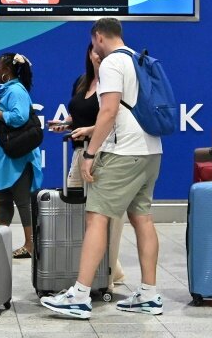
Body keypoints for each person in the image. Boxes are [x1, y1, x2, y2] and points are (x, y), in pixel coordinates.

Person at [41, 17, 163, 318]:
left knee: (96, 218)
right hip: (151, 150)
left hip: (122, 152)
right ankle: (149, 294)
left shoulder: (111, 63)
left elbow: (108, 111)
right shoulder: (138, 59)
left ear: (98, 36)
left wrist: (90, 153)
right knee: (143, 218)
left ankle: (79, 295)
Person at [47, 42, 125, 289]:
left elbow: (114, 118)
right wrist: (66, 124)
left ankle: (107, 275)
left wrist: (91, 130)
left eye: (102, 51)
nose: (99, 55)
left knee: (104, 218)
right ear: (89, 54)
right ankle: (96, 269)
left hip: (103, 154)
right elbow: (79, 115)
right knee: (75, 214)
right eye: (95, 51)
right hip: (79, 154)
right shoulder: (82, 81)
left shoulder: (114, 81)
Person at [0, 52, 43, 259]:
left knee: (22, 201)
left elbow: (19, 117)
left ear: (7, 71)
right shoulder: (7, 91)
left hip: (16, 158)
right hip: (3, 158)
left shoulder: (16, 90)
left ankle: (30, 244)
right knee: (3, 200)